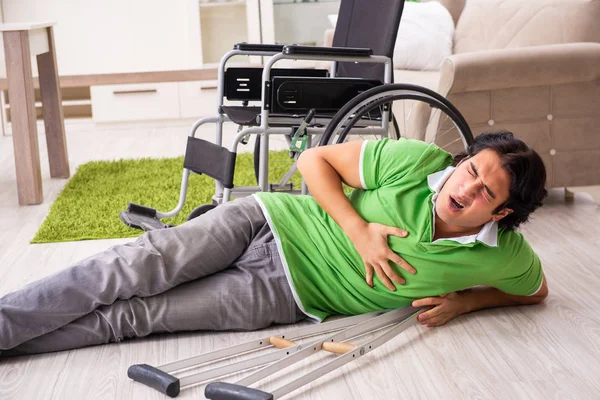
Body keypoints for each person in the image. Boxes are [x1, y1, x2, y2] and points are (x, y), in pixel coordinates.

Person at [0, 130, 548, 356]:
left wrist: (466, 301)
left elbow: (536, 290)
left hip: (284, 295)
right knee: (128, 267)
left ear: (500, 212)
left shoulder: (501, 255)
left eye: (485, 191)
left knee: (137, 318)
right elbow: (313, 160)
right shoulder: (419, 162)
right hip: (264, 221)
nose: (465, 187)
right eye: (470, 169)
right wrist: (359, 232)